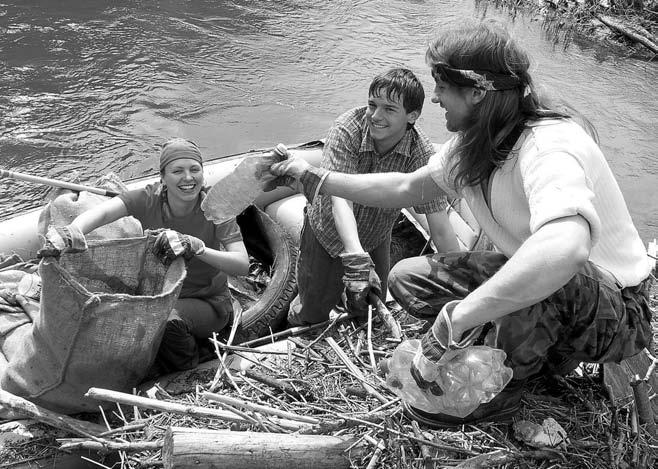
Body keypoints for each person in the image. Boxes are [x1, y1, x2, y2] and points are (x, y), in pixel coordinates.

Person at [267, 21, 654, 427]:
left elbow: (566, 249)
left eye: (441, 87)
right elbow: (404, 186)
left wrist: (461, 316)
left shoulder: (549, 144)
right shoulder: (474, 143)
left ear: (477, 91)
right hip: (560, 295)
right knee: (406, 278)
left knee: (545, 271)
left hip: (614, 312)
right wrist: (317, 178)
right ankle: (523, 350)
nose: (434, 99)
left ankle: (505, 391)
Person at [44, 138, 250, 373]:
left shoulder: (216, 207)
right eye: (177, 171)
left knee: (164, 320)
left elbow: (242, 264)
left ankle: (189, 368)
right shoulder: (148, 199)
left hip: (207, 301)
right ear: (163, 177)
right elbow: (102, 214)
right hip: (158, 292)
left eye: (195, 169)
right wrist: (72, 232)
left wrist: (197, 247)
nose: (188, 178)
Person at [286, 67, 459, 326]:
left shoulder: (420, 152)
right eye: (372, 105)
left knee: (368, 309)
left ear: (412, 116)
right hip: (327, 234)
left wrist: (458, 279)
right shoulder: (348, 129)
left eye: (389, 109)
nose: (375, 116)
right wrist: (355, 258)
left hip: (377, 234)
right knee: (311, 312)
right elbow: (339, 199)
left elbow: (439, 223)